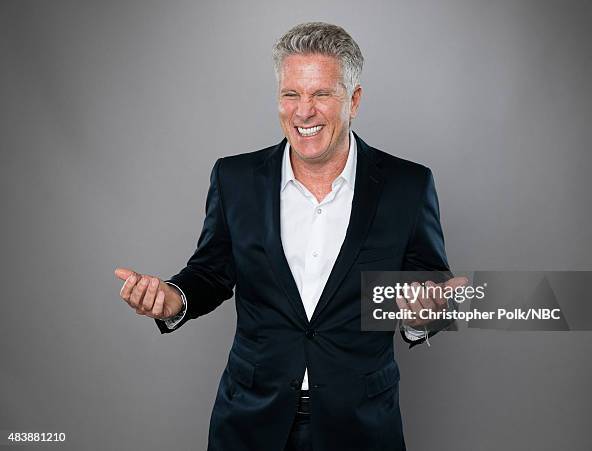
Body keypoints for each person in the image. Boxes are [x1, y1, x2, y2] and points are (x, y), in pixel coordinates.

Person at [115, 22, 466, 451]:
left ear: (353, 100)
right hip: (249, 421)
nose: (304, 111)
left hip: (361, 425)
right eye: (291, 94)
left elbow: (429, 284)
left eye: (321, 94)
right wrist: (175, 298)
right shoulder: (235, 178)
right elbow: (211, 271)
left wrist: (421, 314)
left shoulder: (407, 185)